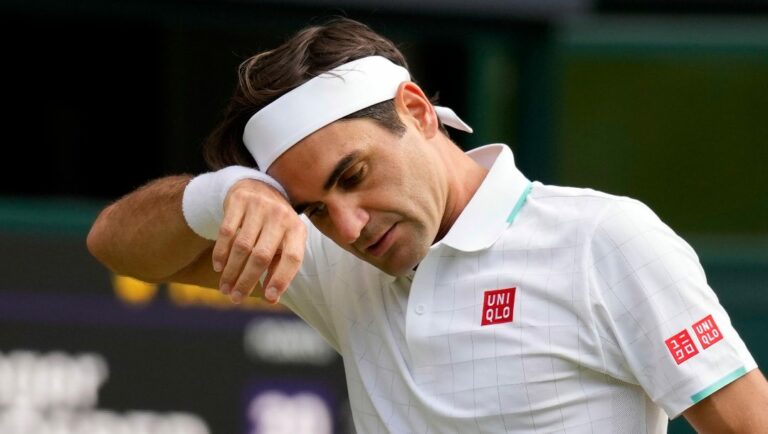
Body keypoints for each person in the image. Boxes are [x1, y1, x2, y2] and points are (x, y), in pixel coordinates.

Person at [87, 17, 768, 433]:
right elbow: (117, 246)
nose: (348, 227)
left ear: (415, 110)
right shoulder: (334, 261)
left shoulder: (606, 239)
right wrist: (228, 193)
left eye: (353, 174)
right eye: (313, 208)